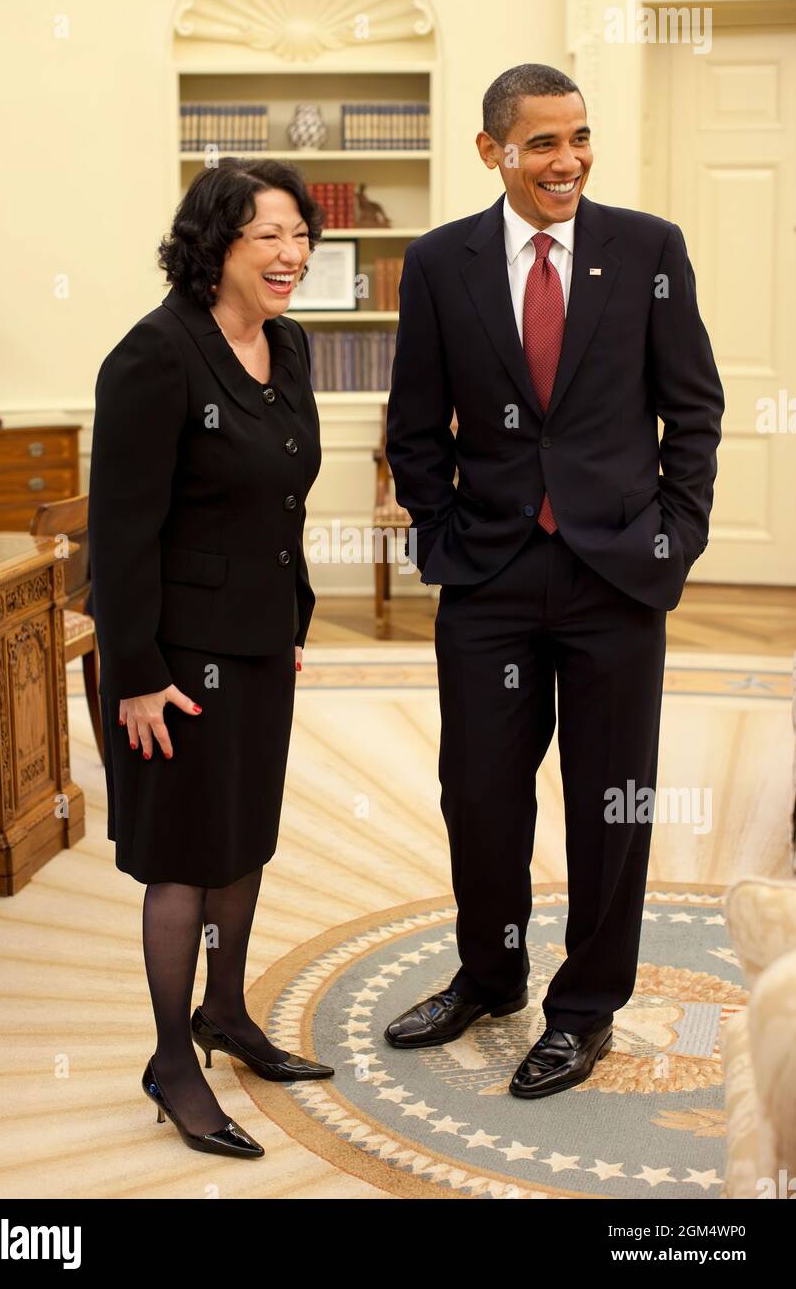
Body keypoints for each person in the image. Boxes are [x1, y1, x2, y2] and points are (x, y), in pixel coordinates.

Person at [384, 63, 725, 1098]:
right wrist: (444, 539)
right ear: (491, 150)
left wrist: (670, 539)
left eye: (576, 137)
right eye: (540, 143)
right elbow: (413, 427)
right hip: (487, 576)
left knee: (609, 800)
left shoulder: (647, 250)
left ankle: (583, 1010)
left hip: (615, 576)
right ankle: (488, 975)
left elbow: (693, 410)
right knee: (477, 794)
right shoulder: (440, 263)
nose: (565, 160)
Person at [87, 159, 333, 1157]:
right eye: (267, 236)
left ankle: (223, 1012)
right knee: (184, 861)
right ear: (213, 246)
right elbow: (119, 531)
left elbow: (278, 495)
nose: (291, 255)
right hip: (176, 661)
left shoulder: (289, 345)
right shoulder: (152, 357)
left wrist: (290, 615)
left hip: (259, 641)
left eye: (299, 234)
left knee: (242, 840)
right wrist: (136, 672)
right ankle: (170, 1062)